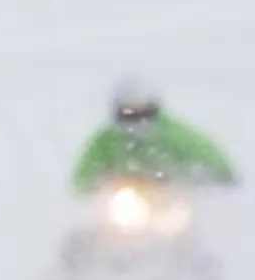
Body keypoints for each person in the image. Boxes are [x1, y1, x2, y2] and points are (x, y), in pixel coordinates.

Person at [72, 79, 236, 194]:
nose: (135, 121)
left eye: (141, 113)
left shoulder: (175, 134)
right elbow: (84, 171)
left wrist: (216, 174)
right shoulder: (107, 140)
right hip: (122, 207)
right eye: (128, 114)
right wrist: (93, 185)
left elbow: (205, 152)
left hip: (168, 204)